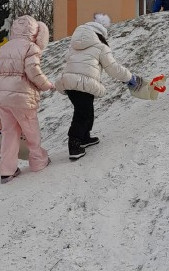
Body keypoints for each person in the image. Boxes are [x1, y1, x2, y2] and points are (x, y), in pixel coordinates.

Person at [56, 13, 143, 160]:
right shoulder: (100, 47)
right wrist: (129, 77)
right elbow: (113, 68)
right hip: (84, 83)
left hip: (70, 83)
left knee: (86, 111)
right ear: (100, 34)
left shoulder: (74, 45)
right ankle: (74, 144)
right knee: (82, 114)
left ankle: (84, 138)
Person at [0, 14, 54, 184]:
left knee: (9, 133)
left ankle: (7, 170)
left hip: (3, 99)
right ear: (35, 32)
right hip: (22, 97)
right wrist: (47, 85)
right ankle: (38, 161)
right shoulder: (30, 47)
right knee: (31, 130)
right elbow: (33, 71)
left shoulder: (3, 49)